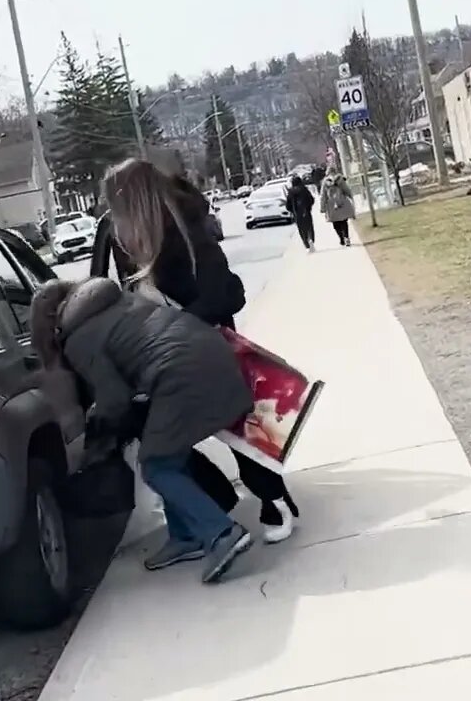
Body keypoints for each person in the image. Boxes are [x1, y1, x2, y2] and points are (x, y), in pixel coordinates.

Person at [99, 159, 302, 552]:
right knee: (162, 434)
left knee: (235, 429)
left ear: (134, 202)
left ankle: (276, 502)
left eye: (115, 206)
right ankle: (219, 501)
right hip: (171, 354)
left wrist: (177, 326)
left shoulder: (186, 233)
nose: (111, 216)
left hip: (207, 346)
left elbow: (226, 293)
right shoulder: (136, 240)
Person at [30, 277, 254, 584]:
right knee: (170, 455)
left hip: (181, 377)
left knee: (156, 466)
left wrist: (98, 427)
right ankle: (185, 536)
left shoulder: (78, 339)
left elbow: (114, 397)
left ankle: (221, 532)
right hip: (213, 354)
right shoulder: (120, 300)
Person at [319, 170, 354, 246]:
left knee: (335, 223)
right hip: (342, 202)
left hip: (331, 205)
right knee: (344, 221)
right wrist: (351, 196)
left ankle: (341, 238)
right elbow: (347, 190)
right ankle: (346, 237)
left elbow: (323, 196)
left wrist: (322, 207)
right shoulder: (340, 179)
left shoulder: (325, 182)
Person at [286, 176, 316, 251]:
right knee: (309, 227)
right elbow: (311, 200)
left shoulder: (291, 192)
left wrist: (292, 211)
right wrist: (309, 208)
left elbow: (288, 205)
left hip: (297, 214)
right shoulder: (304, 189)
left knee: (302, 230)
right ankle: (311, 239)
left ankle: (307, 245)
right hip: (306, 212)